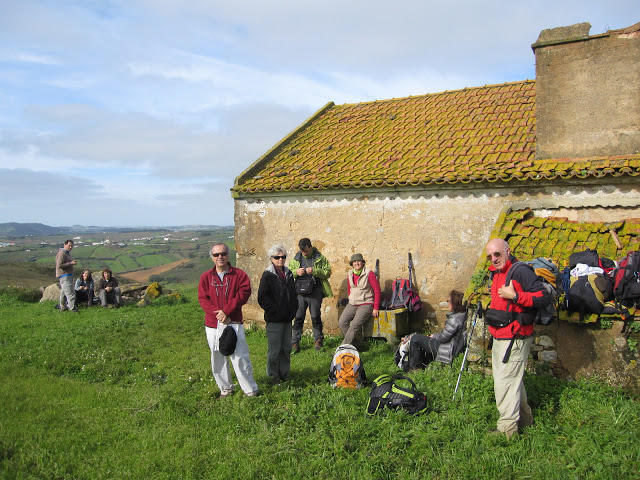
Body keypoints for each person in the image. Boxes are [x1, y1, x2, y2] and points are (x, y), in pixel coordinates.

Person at [484, 238, 550, 440]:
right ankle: (525, 419)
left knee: (505, 382)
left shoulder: (520, 271)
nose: (494, 259)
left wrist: (515, 297)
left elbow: (543, 296)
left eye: (497, 254)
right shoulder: (496, 273)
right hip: (499, 335)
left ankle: (507, 431)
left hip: (515, 336)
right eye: (490, 256)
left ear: (507, 250)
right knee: (511, 380)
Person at [198, 243, 259, 397]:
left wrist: (227, 311)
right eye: (216, 254)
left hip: (233, 321)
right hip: (213, 324)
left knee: (240, 357)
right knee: (217, 358)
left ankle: (250, 389)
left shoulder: (239, 275)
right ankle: (226, 388)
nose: (220, 257)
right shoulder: (206, 277)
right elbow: (203, 299)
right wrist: (217, 314)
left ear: (228, 255)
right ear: (212, 257)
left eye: (223, 254)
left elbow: (243, 293)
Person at [396, 290, 467, 370]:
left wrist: (433, 336)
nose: (447, 302)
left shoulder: (455, 319)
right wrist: (433, 336)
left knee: (415, 338)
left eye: (449, 301)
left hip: (447, 349)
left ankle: (414, 369)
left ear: (455, 303)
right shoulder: (461, 315)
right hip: (451, 347)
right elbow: (447, 335)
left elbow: (443, 338)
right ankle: (420, 364)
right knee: (419, 337)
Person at [257, 244, 298, 384]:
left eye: (283, 257)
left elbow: (293, 294)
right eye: (277, 257)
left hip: (287, 319)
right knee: (274, 350)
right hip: (274, 319)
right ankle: (273, 376)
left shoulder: (289, 273)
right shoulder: (268, 275)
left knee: (286, 348)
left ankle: (284, 374)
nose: (280, 260)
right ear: (271, 259)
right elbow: (262, 298)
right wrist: (275, 310)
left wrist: (293, 309)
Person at [288, 238, 333, 352]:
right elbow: (288, 272)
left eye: (306, 251)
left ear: (310, 247)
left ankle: (318, 340)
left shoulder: (319, 258)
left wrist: (315, 271)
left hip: (315, 292)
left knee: (315, 317)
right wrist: (296, 272)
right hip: (300, 293)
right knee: (298, 318)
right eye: (303, 252)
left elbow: (327, 272)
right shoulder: (297, 258)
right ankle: (295, 343)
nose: (305, 254)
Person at [338, 253, 380, 348]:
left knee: (354, 325)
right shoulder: (350, 273)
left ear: (362, 263)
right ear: (352, 264)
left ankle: (343, 348)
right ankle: (357, 345)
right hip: (353, 303)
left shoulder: (369, 273)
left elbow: (377, 291)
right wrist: (351, 298)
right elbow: (350, 289)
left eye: (359, 261)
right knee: (342, 322)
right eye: (354, 261)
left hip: (366, 303)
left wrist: (375, 307)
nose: (357, 263)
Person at [55, 239, 77, 312]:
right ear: (65, 245)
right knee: (70, 292)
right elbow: (59, 265)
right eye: (69, 245)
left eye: (72, 246)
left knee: (63, 292)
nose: (70, 247)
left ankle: (63, 307)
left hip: (67, 275)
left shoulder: (66, 253)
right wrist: (71, 263)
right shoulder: (62, 253)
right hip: (65, 275)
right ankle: (72, 308)